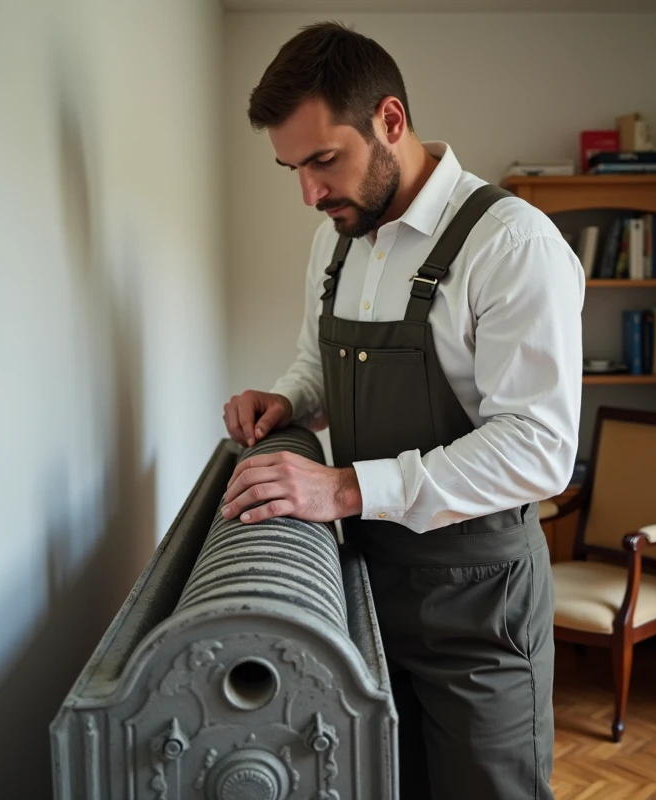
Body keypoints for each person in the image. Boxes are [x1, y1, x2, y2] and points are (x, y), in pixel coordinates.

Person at [219, 20, 583, 800]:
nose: (311, 193)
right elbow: (319, 358)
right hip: (369, 587)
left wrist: (344, 488)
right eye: (293, 168)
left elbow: (539, 447)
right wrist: (290, 397)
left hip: (480, 605)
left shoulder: (513, 245)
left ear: (390, 121)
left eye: (324, 160)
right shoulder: (338, 239)